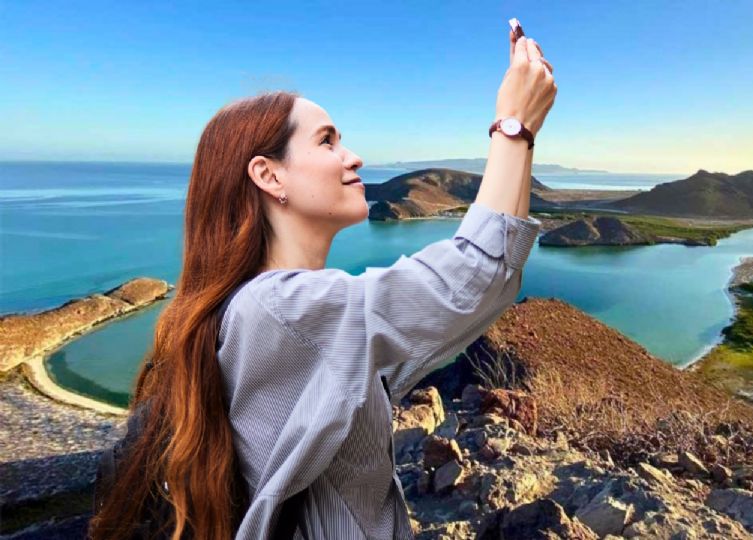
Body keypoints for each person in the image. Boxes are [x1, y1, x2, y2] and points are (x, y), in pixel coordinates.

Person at [89, 27, 556, 540]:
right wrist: (513, 125)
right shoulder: (279, 310)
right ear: (270, 177)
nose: (353, 157)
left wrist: (523, 135)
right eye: (327, 140)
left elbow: (485, 285)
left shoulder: (278, 317)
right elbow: (473, 275)